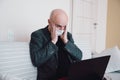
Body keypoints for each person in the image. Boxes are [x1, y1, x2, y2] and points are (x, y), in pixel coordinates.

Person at [29, 9, 82, 80]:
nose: (62, 29)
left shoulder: (67, 35)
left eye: (64, 26)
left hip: (70, 76)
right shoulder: (38, 35)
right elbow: (36, 61)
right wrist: (53, 41)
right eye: (58, 26)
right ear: (49, 22)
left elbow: (79, 56)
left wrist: (66, 41)